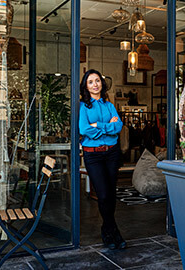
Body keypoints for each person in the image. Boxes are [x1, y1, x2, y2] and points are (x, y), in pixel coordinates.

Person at [79, 69, 126, 249]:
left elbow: (119, 126)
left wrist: (98, 126)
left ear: (102, 83)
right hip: (93, 155)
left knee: (111, 194)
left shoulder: (108, 104)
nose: (95, 84)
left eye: (97, 80)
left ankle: (108, 231)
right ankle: (112, 230)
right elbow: (83, 129)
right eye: (90, 82)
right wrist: (108, 127)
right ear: (86, 86)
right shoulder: (83, 106)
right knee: (103, 194)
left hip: (112, 153)